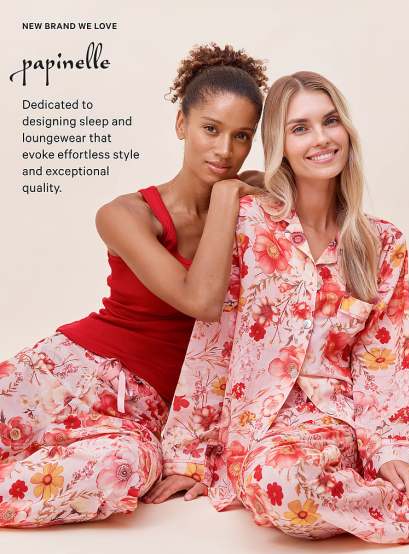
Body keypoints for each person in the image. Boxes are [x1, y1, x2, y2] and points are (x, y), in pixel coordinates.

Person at [0, 43, 268, 527]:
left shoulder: (253, 203)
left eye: (242, 136)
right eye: (210, 129)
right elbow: (200, 299)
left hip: (141, 417)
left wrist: (241, 194)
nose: (224, 150)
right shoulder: (125, 214)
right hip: (67, 373)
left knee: (123, 470)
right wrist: (227, 197)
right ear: (182, 124)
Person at [151, 71, 409, 544]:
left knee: (289, 484)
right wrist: (188, 454)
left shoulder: (382, 244)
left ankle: (383, 495)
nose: (321, 138)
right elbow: (215, 340)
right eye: (300, 128)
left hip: (339, 428)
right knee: (280, 484)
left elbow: (385, 364)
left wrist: (391, 449)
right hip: (257, 432)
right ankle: (380, 507)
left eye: (330, 121)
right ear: (280, 146)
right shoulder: (249, 225)